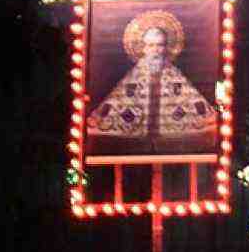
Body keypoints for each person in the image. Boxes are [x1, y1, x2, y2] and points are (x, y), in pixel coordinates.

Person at [88, 14, 217, 151]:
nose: (155, 50)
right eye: (150, 45)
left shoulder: (175, 76)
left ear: (166, 47)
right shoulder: (133, 77)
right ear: (143, 48)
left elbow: (193, 103)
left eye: (160, 45)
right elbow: (115, 104)